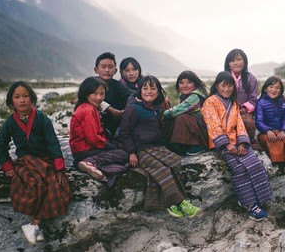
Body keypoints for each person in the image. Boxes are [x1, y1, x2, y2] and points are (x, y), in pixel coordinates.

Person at [0, 81, 71, 246]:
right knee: (33, 184)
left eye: (25, 96)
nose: (22, 100)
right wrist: (7, 166)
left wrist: (59, 169)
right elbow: (1, 145)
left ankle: (33, 225)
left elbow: (53, 143)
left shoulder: (42, 119)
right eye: (17, 97)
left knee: (55, 185)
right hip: (25, 161)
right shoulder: (10, 123)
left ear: (32, 98)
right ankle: (35, 226)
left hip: (45, 160)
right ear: (11, 102)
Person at [119, 75, 200, 218]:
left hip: (155, 146)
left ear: (158, 91)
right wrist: (131, 152)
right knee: (160, 169)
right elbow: (124, 132)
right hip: (140, 149)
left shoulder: (156, 107)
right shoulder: (133, 108)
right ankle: (179, 202)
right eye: (145, 88)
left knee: (174, 161)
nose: (149, 92)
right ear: (140, 91)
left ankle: (170, 201)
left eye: (153, 88)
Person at [201, 71, 272, 221]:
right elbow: (213, 125)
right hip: (219, 144)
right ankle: (249, 205)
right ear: (217, 86)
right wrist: (226, 145)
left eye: (230, 86)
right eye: (223, 85)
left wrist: (243, 143)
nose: (227, 89)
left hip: (236, 141)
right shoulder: (210, 102)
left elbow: (239, 124)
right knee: (239, 168)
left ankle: (262, 199)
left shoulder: (234, 104)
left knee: (255, 164)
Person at [70, 77, 129, 187]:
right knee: (124, 155)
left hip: (83, 150)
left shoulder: (87, 107)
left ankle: (90, 164)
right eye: (95, 94)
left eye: (102, 94)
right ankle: (91, 162)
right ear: (86, 94)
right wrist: (111, 146)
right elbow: (93, 140)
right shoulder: (88, 111)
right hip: (86, 151)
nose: (99, 97)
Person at [162, 70, 209, 156]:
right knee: (177, 118)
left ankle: (198, 145)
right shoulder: (185, 96)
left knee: (181, 117)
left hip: (204, 132)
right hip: (197, 128)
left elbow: (178, 110)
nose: (185, 86)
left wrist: (164, 114)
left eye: (189, 82)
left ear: (195, 84)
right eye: (181, 83)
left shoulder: (195, 96)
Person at [223, 48, 260, 149]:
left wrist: (244, 109)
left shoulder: (251, 78)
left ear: (245, 61)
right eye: (232, 60)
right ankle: (227, 143)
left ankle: (247, 143)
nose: (235, 63)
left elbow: (253, 99)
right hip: (226, 109)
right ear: (228, 63)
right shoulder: (224, 77)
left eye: (239, 59)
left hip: (244, 111)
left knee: (248, 122)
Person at [94, 52, 135, 138]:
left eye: (110, 67)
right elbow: (86, 97)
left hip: (113, 127)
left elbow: (132, 95)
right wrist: (110, 109)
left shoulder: (117, 85)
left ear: (115, 71)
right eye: (103, 67)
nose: (107, 70)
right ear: (96, 69)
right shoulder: (91, 83)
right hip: (94, 125)